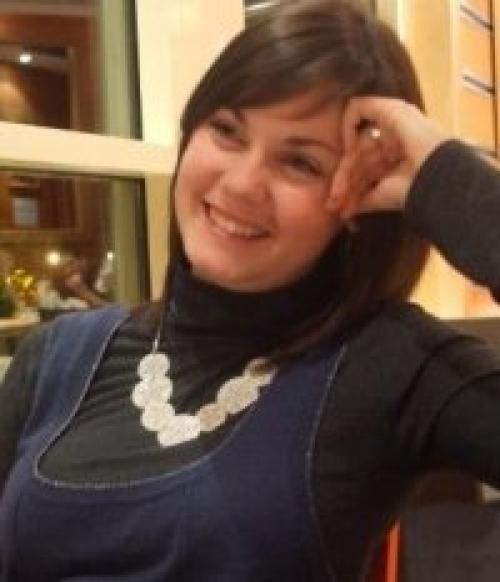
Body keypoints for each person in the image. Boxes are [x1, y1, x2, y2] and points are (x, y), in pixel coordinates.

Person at [1, 1, 500, 580]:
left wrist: (448, 185)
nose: (241, 184)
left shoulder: (391, 364)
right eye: (227, 131)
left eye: (301, 163)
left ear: (358, 203)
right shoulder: (57, 355)